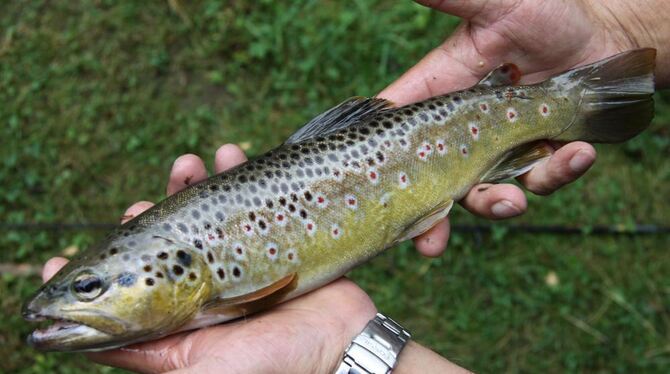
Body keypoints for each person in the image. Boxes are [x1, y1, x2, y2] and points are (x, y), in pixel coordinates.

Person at [41, 0, 668, 372]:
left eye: (91, 286)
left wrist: (615, 19)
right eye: (87, 287)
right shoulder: (196, 274)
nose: (77, 301)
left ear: (169, 268)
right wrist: (334, 353)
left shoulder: (221, 291)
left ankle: (572, 102)